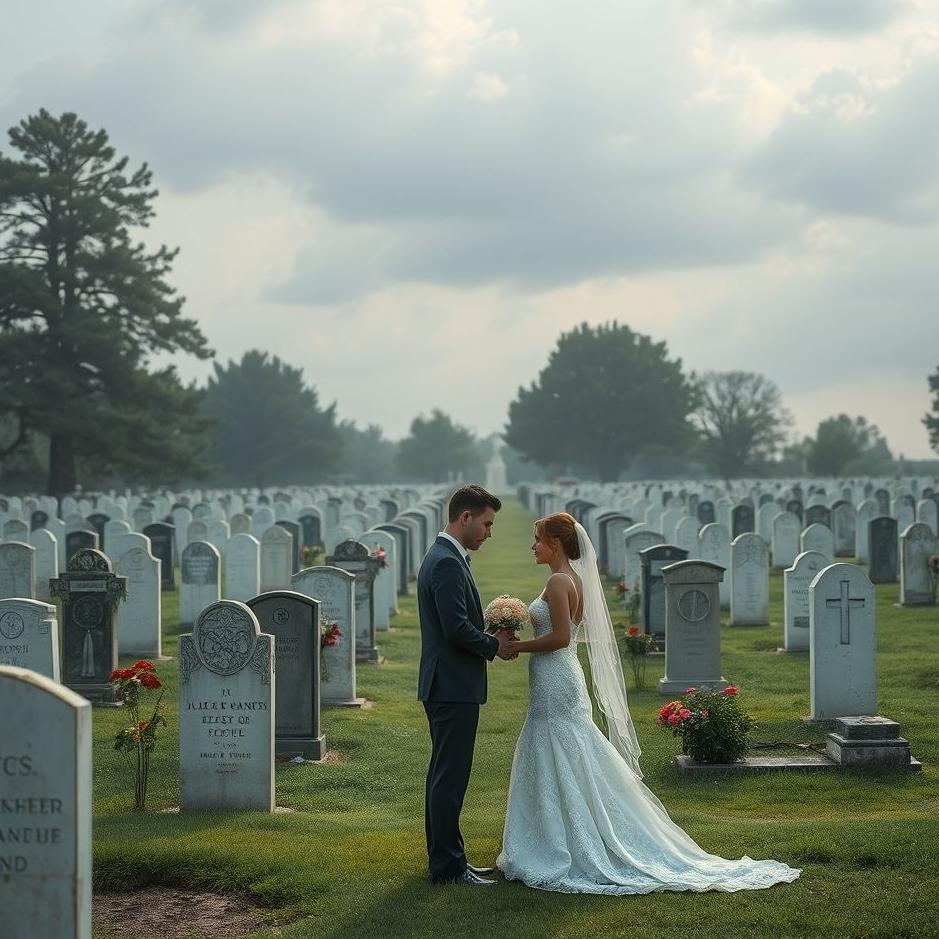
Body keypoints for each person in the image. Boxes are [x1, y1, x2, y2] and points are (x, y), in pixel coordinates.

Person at [496, 511, 801, 894]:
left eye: (537, 539)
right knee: (566, 752)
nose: (532, 546)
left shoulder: (559, 581)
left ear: (555, 543)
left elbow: (559, 637)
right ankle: (560, 835)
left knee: (562, 747)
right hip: (560, 676)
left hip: (557, 675)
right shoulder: (570, 578)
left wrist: (517, 646)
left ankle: (564, 844)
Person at [417, 484, 517, 886]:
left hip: (451, 684)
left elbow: (458, 622)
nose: (489, 532)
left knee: (447, 775)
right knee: (449, 777)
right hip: (451, 686)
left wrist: (490, 627)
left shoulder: (449, 557)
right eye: (487, 523)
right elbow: (455, 628)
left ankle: (451, 859)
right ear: (465, 518)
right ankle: (447, 866)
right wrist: (495, 645)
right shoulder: (444, 562)